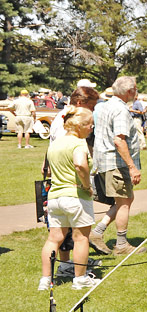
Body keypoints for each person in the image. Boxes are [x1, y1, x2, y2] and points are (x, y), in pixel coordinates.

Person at [39, 108, 100, 290]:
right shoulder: (78, 143)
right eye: (90, 125)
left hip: (55, 197)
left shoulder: (55, 143)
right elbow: (80, 164)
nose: (91, 129)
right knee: (81, 238)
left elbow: (46, 170)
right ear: (80, 125)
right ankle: (80, 279)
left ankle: (45, 279)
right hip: (75, 196)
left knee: (54, 238)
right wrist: (87, 186)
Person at [88, 76, 145, 255]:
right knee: (123, 203)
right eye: (135, 89)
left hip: (105, 161)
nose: (136, 92)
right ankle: (121, 244)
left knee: (126, 199)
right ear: (129, 91)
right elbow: (119, 140)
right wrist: (132, 166)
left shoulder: (106, 105)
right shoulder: (120, 110)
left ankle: (97, 232)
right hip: (116, 163)